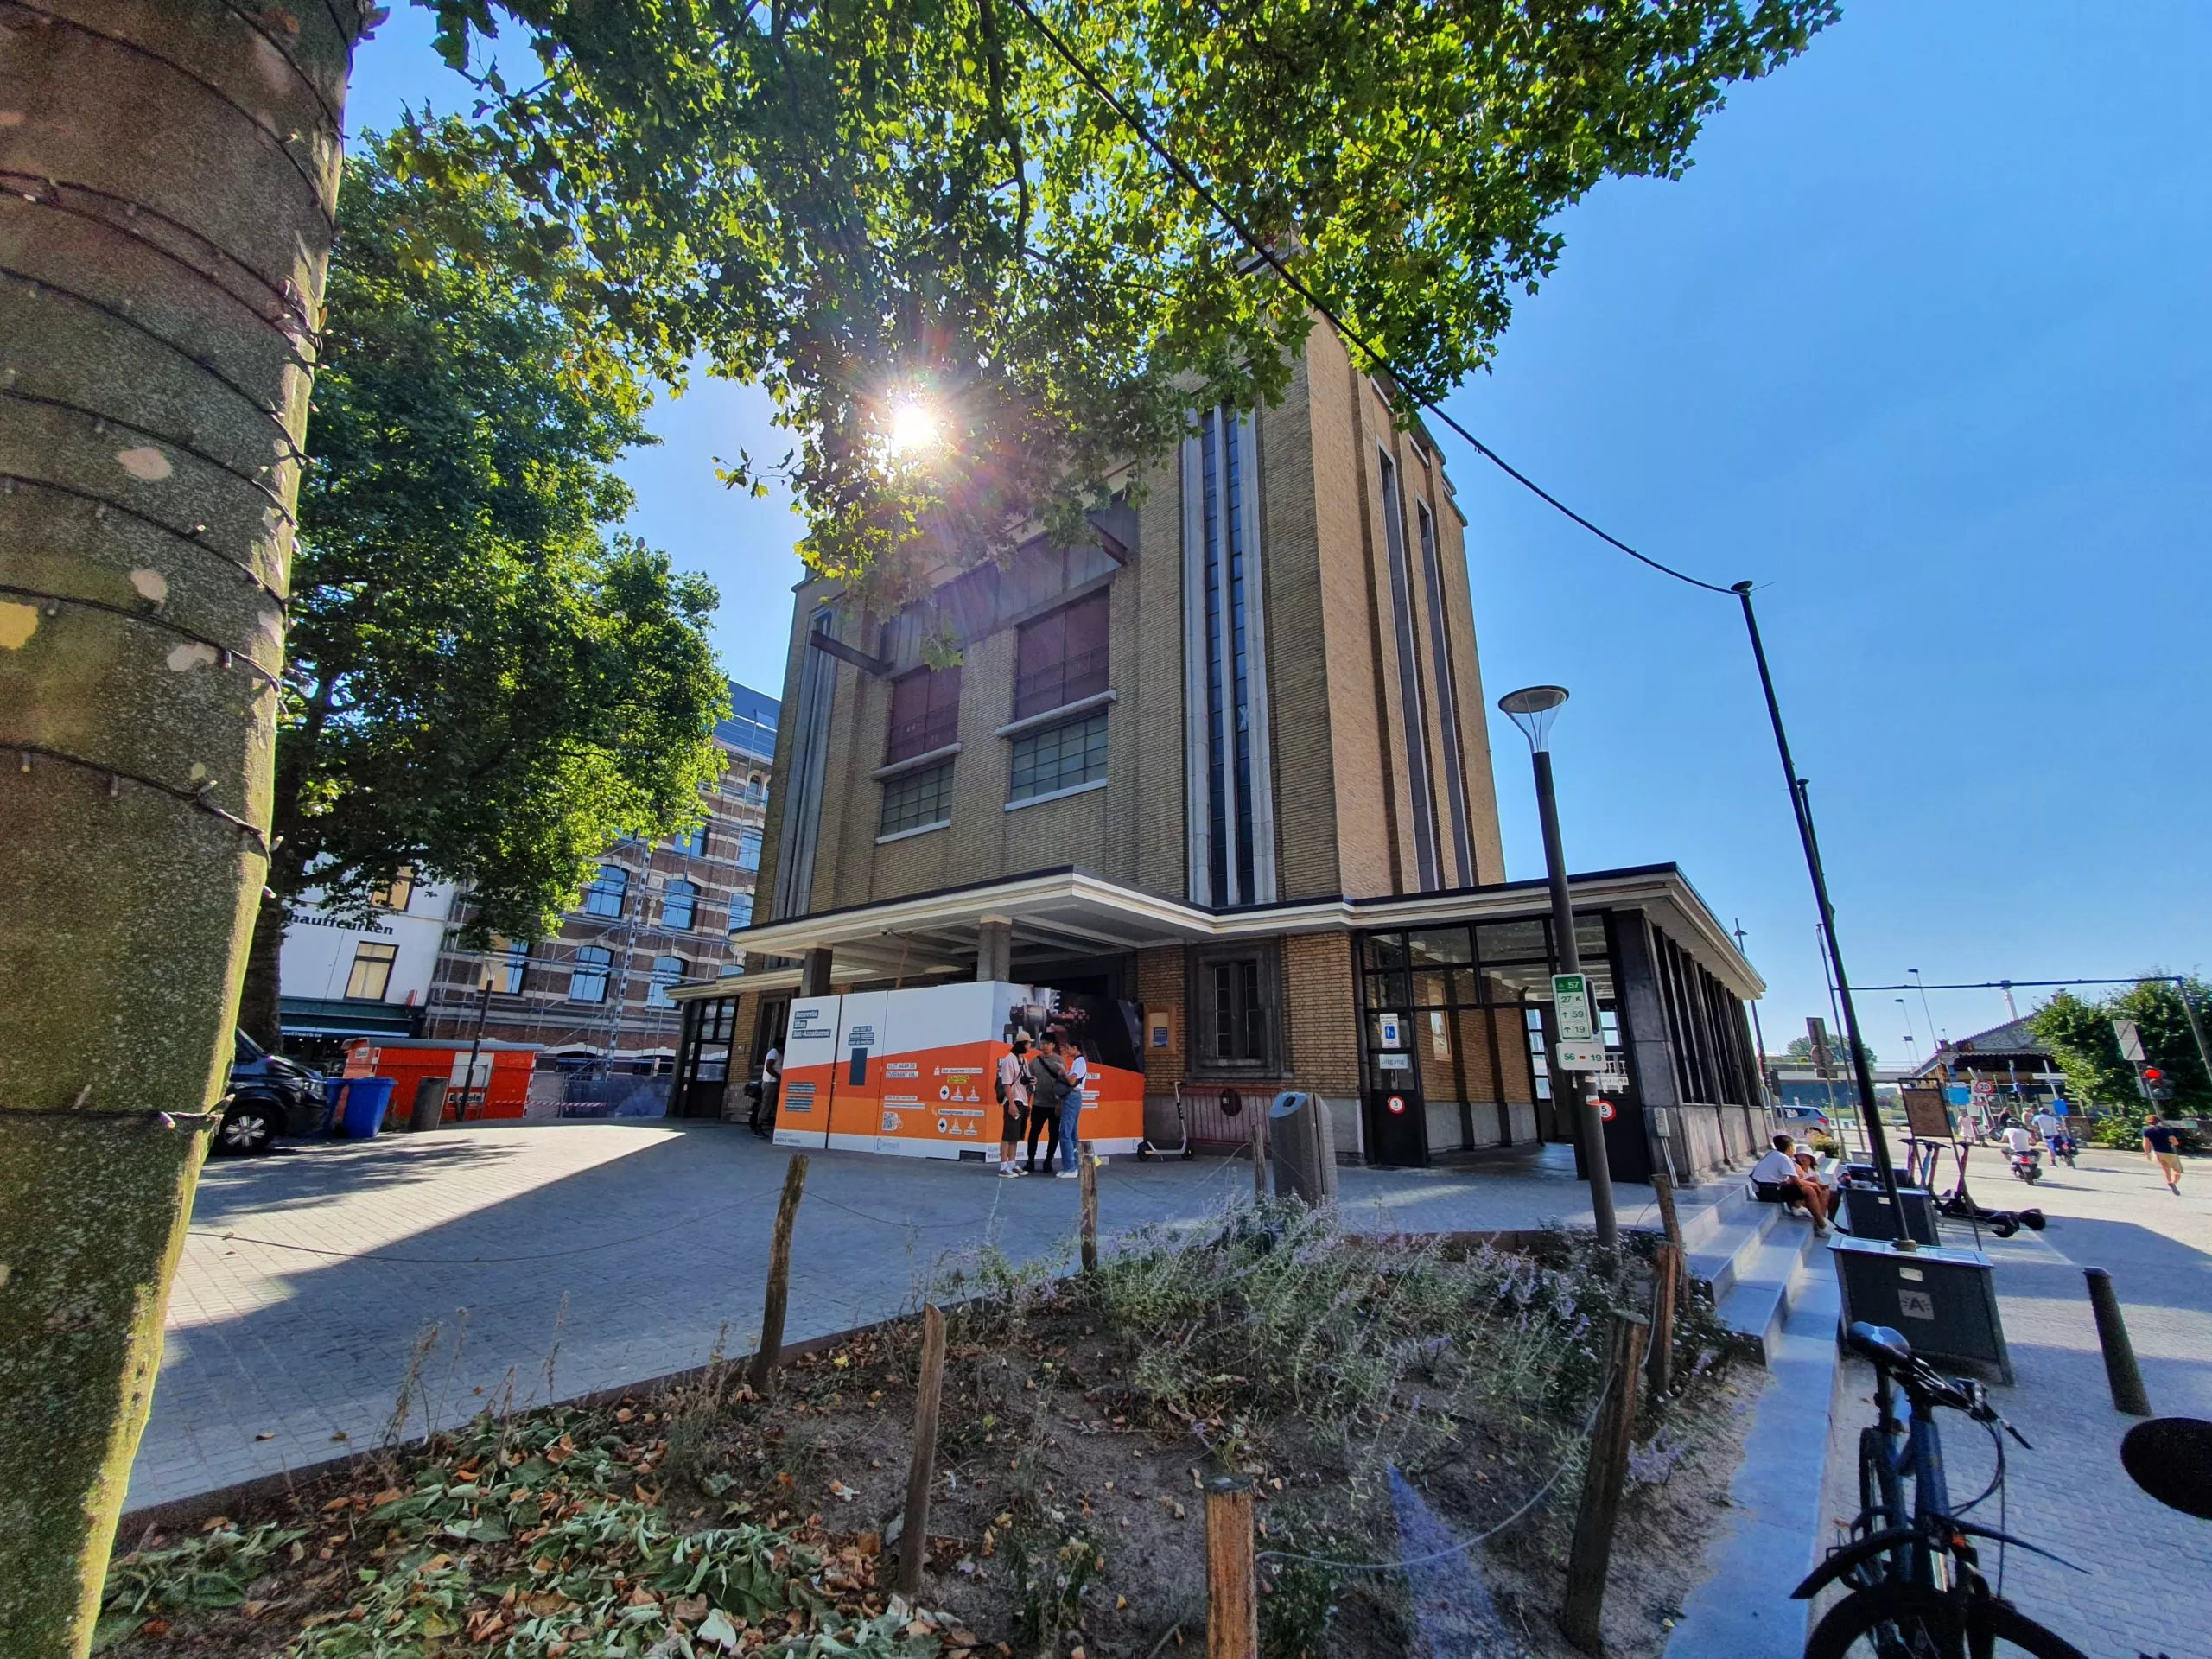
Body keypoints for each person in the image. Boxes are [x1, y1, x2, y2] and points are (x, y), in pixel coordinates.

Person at [1751, 1133, 1830, 1233]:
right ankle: (1822, 1226)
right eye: (1792, 1147)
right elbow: (1798, 1183)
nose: (1793, 1150)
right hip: (1768, 1192)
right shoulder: (1784, 1159)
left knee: (1812, 1180)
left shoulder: (1772, 1154)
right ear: (1789, 1148)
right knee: (1809, 1190)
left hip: (1762, 1190)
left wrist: (1815, 1183)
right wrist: (1815, 1185)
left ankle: (1817, 1216)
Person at [1026, 1036, 1072, 1176]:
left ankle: (1048, 1161)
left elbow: (1064, 1084)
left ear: (1053, 1045)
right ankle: (1030, 1160)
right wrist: (1027, 1103)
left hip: (1055, 1105)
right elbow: (1028, 1084)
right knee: (1034, 1133)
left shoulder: (1059, 1061)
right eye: (1043, 1043)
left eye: (1047, 1044)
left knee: (1054, 1134)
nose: (1044, 1046)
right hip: (1038, 1104)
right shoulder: (1034, 1062)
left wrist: (1060, 1103)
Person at [995, 1032, 1033, 1177]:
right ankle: (1003, 1166)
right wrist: (1011, 1103)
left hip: (1022, 1099)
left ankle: (1012, 1163)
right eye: (1029, 1043)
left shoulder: (1023, 1060)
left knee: (1015, 1135)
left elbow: (1026, 1079)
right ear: (1023, 1043)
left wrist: (1031, 1082)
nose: (1030, 1046)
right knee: (1008, 1133)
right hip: (1013, 1100)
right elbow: (1006, 1084)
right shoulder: (1008, 1060)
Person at [1056, 1033, 1089, 1179]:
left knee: (1065, 1132)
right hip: (1075, 1097)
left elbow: (1071, 1081)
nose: (1067, 1051)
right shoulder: (1079, 1061)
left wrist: (1063, 1071)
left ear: (1075, 1048)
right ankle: (1075, 1165)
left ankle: (1070, 1167)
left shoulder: (1079, 1062)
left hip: (1072, 1097)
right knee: (1073, 1133)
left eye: (1069, 1048)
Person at [2143, 1113, 2185, 1196]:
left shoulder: (2147, 1131)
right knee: (2177, 1171)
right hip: (2169, 1152)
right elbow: (2174, 1141)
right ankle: (2173, 1183)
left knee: (2165, 1168)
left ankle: (2169, 1181)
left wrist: (2147, 1153)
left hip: (2157, 1152)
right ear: (2158, 1121)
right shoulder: (2164, 1130)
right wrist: (2175, 1143)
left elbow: (2146, 1143)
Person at [751, 1041, 781, 1138]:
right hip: (770, 1082)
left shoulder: (778, 1053)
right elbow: (769, 1067)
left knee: (773, 1105)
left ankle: (775, 1125)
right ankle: (758, 1128)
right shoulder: (773, 1052)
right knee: (766, 1104)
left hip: (774, 1082)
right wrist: (778, 1077)